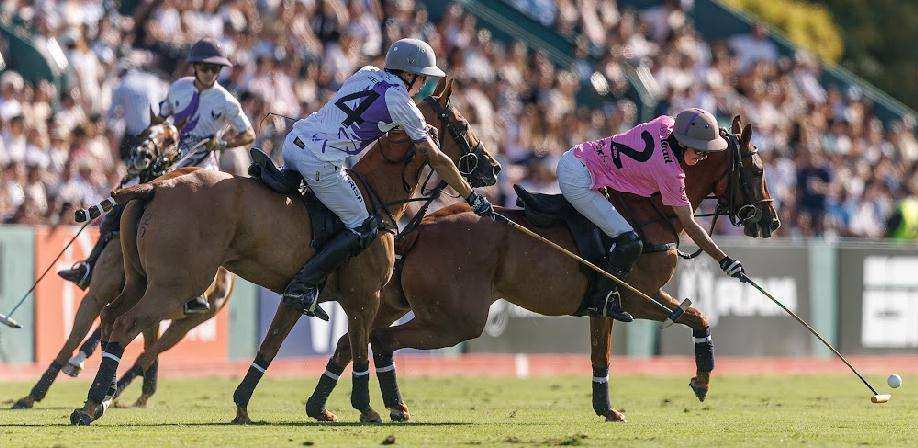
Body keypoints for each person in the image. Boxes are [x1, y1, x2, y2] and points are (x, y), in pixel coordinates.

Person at [280, 38, 495, 320]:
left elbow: (369, 112)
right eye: (423, 78)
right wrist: (471, 196)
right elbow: (438, 159)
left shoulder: (366, 72)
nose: (425, 86)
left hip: (293, 143)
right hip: (320, 162)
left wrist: (412, 122)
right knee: (365, 227)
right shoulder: (402, 101)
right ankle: (303, 286)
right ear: (408, 74)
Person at [59, 38, 255, 314]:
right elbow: (161, 119)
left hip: (204, 169)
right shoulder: (178, 88)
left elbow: (249, 134)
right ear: (195, 66)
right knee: (125, 195)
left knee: (204, 223)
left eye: (216, 69)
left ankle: (195, 290)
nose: (211, 74)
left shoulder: (225, 100)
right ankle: (89, 265)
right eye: (206, 68)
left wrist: (221, 143)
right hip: (171, 160)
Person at [556, 108, 746, 321]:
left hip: (579, 154)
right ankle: (601, 300)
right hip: (579, 180)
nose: (702, 157)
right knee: (629, 241)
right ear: (682, 143)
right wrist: (723, 259)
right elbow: (689, 225)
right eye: (699, 151)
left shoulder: (665, 123)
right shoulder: (670, 173)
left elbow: (683, 122)